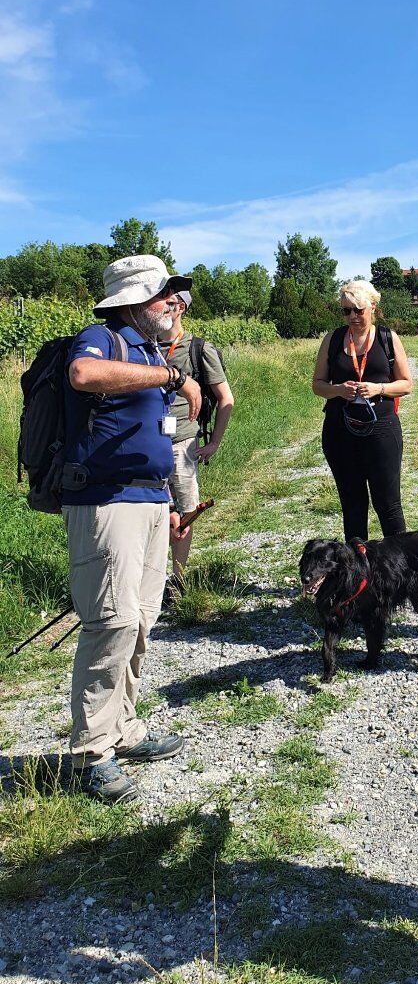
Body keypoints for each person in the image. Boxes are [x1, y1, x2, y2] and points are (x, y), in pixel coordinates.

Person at [63, 255, 201, 803]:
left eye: (174, 294)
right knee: (112, 622)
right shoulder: (101, 337)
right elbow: (83, 375)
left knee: (143, 619)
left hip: (147, 499)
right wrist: (172, 375)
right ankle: (92, 752)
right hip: (105, 501)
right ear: (130, 302)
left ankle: (125, 728)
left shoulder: (144, 347)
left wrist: (166, 499)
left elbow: (150, 433)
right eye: (161, 294)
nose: (173, 302)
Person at [312, 280, 413, 541]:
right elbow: (318, 385)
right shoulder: (333, 340)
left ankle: (398, 573)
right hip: (339, 430)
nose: (352, 317)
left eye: (358, 310)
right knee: (352, 505)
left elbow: (406, 384)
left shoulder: (387, 338)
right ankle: (359, 575)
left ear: (373, 307)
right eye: (346, 311)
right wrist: (338, 390)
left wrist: (378, 389)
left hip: (381, 430)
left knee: (388, 505)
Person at [160, 290, 234, 601]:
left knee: (186, 512)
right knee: (152, 512)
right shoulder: (142, 345)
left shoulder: (198, 349)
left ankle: (177, 580)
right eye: (162, 300)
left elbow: (225, 398)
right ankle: (152, 578)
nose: (167, 306)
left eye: (172, 302)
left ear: (182, 309)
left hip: (182, 441)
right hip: (143, 443)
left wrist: (214, 442)